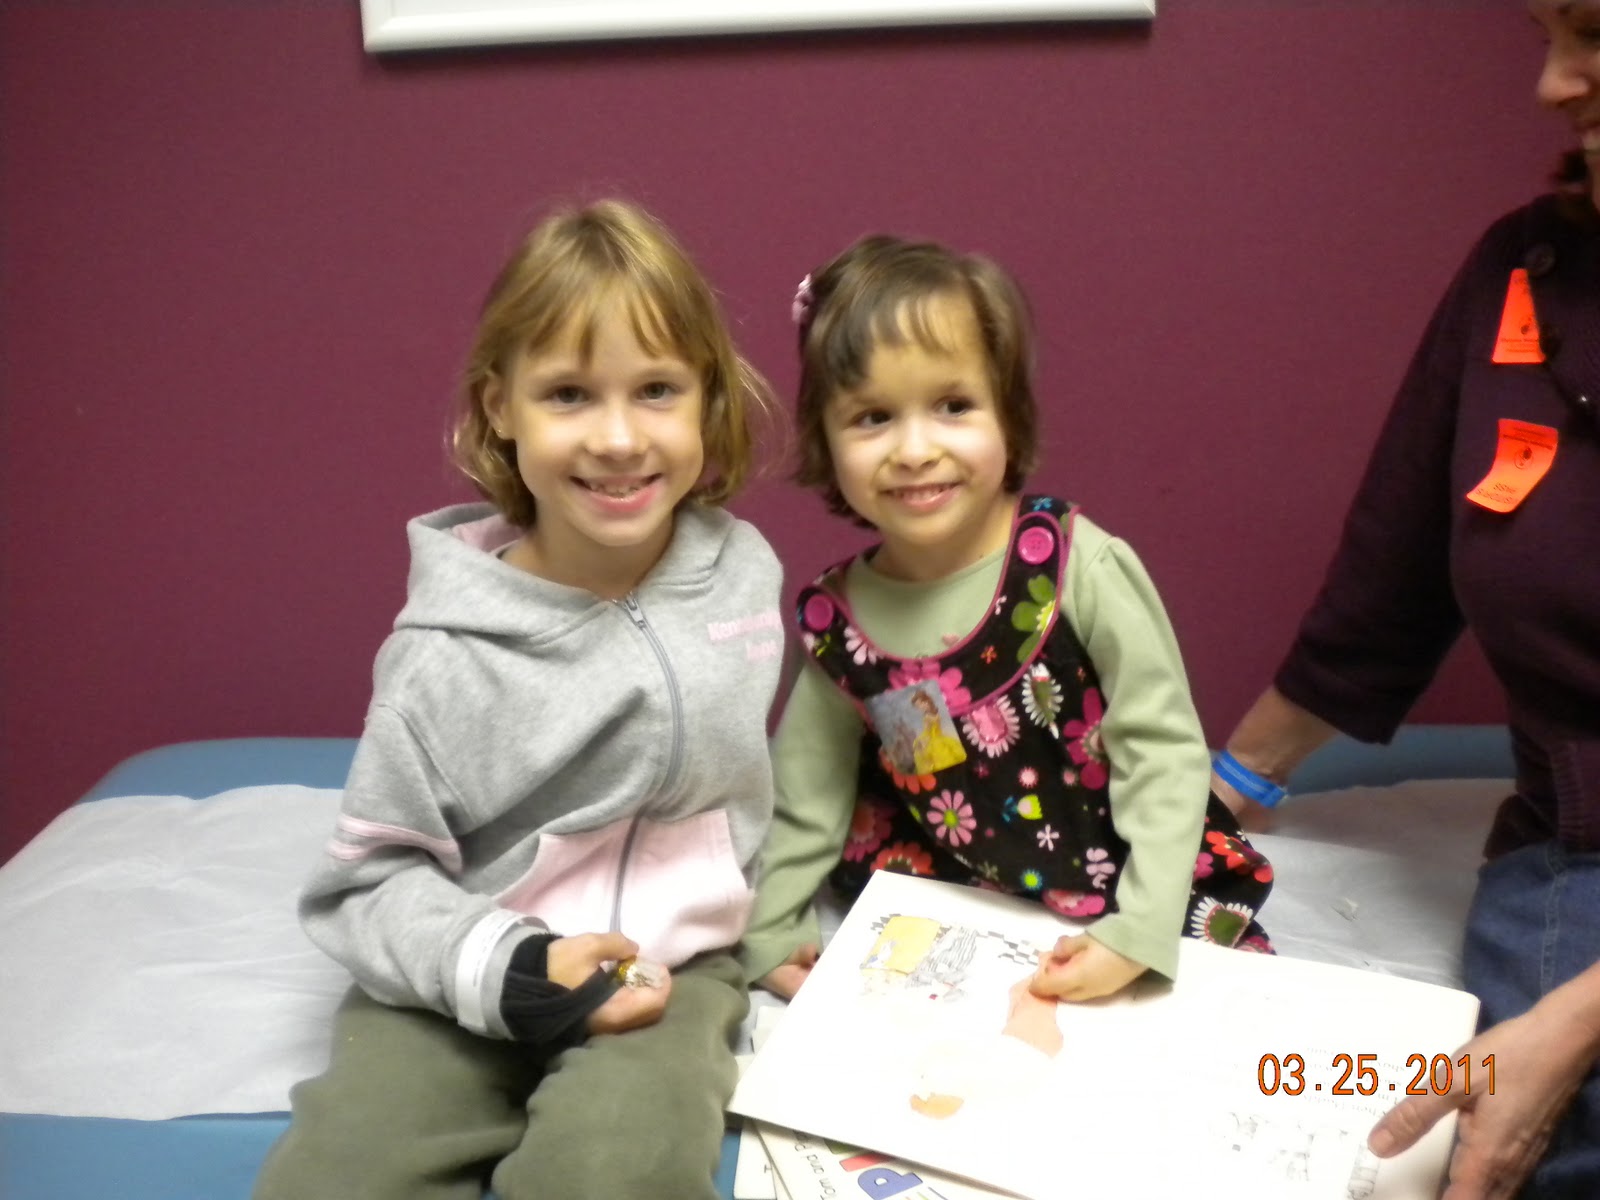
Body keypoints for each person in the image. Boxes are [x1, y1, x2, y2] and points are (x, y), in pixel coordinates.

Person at [253, 199, 784, 1200]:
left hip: (666, 968)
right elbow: (364, 885)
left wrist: (781, 912)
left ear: (707, 399)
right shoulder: (443, 657)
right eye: (569, 394)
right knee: (334, 1180)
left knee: (614, 1172)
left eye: (657, 389)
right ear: (501, 407)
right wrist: (513, 969)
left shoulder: (741, 576)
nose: (619, 438)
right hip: (464, 972)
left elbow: (759, 781)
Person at [1210, 6, 1600, 1197]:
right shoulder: (1517, 273)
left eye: (1591, 31)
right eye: (1544, 33)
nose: (1550, 84)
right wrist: (1225, 791)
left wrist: (1575, 1023)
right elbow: (1387, 593)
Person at [740, 234, 1274, 1008]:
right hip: (957, 885)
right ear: (825, 438)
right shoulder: (837, 622)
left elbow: (1161, 752)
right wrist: (771, 927)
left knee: (1206, 1019)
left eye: (953, 407)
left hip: (1133, 879)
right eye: (873, 417)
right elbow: (806, 792)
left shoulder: (1076, 564)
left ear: (1009, 416)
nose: (915, 449)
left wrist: (1139, 928)